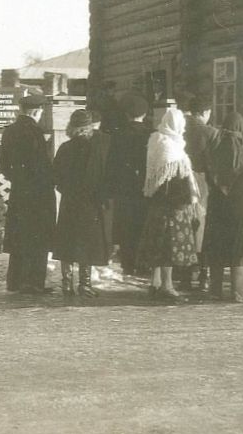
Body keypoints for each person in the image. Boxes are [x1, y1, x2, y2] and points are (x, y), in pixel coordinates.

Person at [137, 106, 200, 303]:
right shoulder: (170, 147)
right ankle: (167, 285)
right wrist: (187, 199)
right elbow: (173, 179)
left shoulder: (156, 140)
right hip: (172, 206)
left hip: (157, 204)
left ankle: (155, 283)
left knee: (158, 245)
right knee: (169, 248)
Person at [0, 92, 55, 294]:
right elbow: (41, 166)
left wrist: (17, 179)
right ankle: (33, 282)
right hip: (38, 193)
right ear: (37, 111)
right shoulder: (34, 133)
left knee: (19, 237)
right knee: (37, 237)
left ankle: (14, 281)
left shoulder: (9, 131)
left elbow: (2, 163)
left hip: (19, 191)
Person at [52, 109, 111, 298]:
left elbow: (56, 176)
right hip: (90, 202)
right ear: (89, 127)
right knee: (87, 242)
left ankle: (66, 283)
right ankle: (84, 283)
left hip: (70, 201)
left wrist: (67, 191)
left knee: (67, 242)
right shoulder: (95, 149)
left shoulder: (65, 148)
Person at [201, 111, 243, 302]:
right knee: (238, 245)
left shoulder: (212, 149)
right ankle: (239, 290)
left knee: (217, 244)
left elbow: (207, 174)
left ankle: (214, 289)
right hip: (239, 203)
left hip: (217, 202)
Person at [105, 92, 150, 276]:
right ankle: (143, 262)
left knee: (126, 225)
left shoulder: (116, 136)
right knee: (144, 223)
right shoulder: (150, 135)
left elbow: (111, 164)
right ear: (144, 114)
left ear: (126, 114)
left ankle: (128, 262)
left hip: (123, 188)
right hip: (145, 186)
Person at [182, 96, 217, 292]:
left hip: (181, 179)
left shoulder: (180, 128)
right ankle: (203, 273)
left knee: (185, 224)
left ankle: (186, 274)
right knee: (202, 227)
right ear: (205, 113)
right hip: (202, 181)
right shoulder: (209, 132)